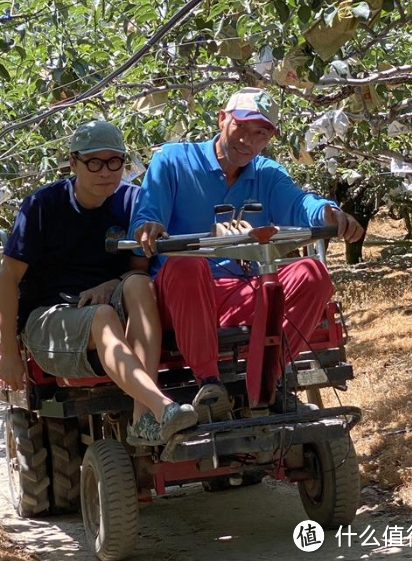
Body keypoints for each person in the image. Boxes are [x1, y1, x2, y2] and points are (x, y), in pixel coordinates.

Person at [129, 87, 364, 422]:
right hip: (183, 299)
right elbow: (147, 215)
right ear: (222, 119)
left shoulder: (266, 173)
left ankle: (266, 383)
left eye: (261, 133)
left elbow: (298, 203)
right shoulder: (172, 160)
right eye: (243, 126)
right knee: (186, 261)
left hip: (241, 293)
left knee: (312, 272)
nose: (249, 141)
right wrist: (148, 228)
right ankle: (209, 383)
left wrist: (327, 212)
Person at [0, 120, 198, 444]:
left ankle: (141, 418)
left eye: (114, 161)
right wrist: (9, 352)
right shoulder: (41, 206)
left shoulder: (133, 201)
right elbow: (8, 278)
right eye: (94, 162)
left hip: (110, 305)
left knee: (138, 283)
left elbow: (139, 265)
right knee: (102, 317)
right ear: (74, 162)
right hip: (50, 318)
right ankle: (161, 406)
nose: (105, 171)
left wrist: (112, 284)